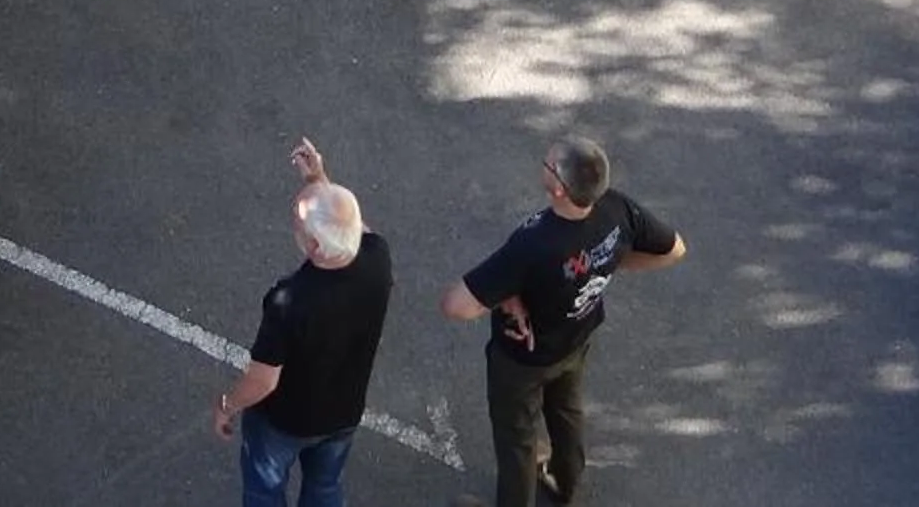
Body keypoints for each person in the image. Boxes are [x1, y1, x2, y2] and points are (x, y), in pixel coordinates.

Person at [441, 134, 685, 507]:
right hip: (576, 338)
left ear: (559, 189)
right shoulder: (617, 209)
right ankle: (566, 484)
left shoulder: (534, 242)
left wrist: (506, 293)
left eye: (549, 164)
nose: (545, 161)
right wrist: (610, 265)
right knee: (567, 413)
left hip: (523, 359)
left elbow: (456, 305)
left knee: (517, 439)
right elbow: (674, 249)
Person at [216, 136, 394, 507]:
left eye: (297, 222)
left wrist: (227, 405)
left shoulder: (289, 300)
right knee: (325, 487)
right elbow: (352, 226)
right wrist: (319, 181)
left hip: (284, 421)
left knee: (265, 490)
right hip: (343, 413)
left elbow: (264, 380)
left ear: (314, 246)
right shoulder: (378, 257)